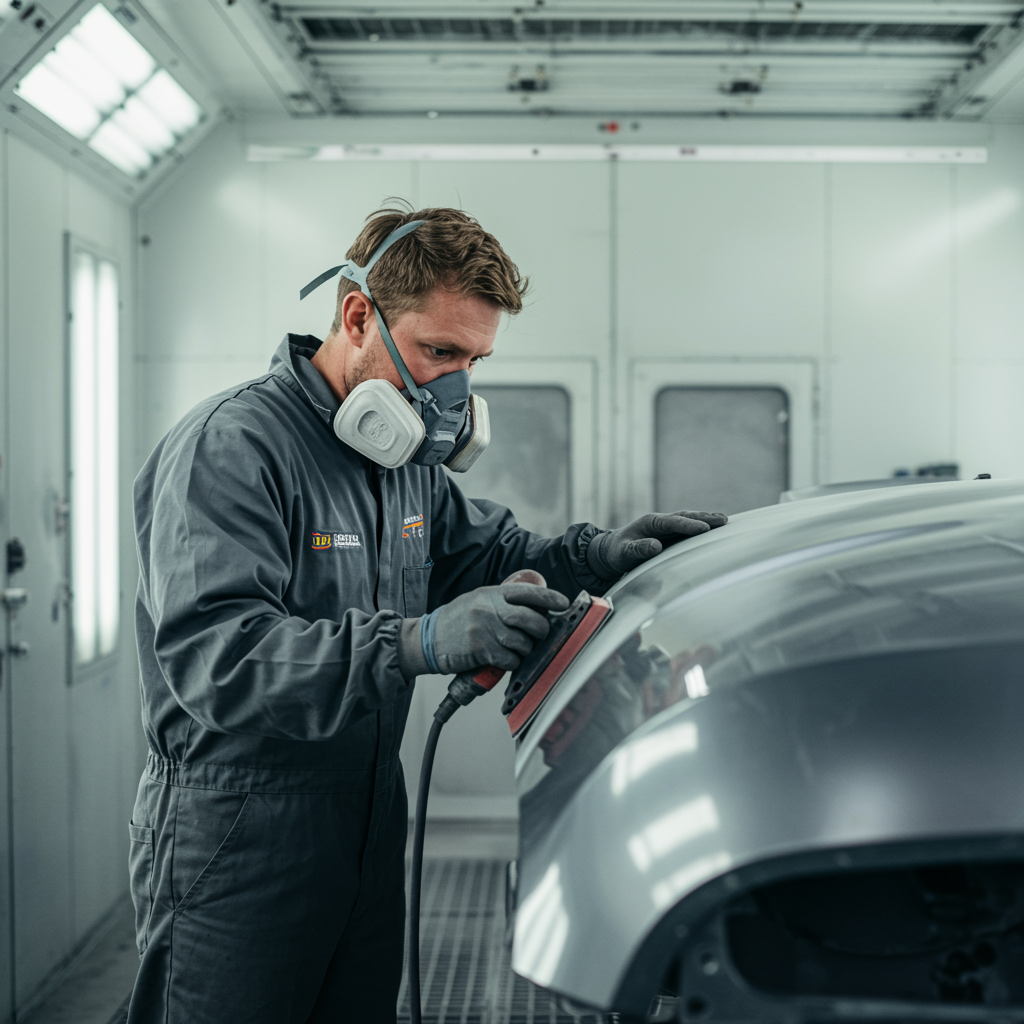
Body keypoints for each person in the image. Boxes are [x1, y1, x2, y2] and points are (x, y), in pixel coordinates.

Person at [126, 204, 727, 1024]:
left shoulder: (402, 461)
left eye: (474, 359)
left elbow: (480, 553)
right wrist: (418, 641)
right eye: (438, 351)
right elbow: (218, 660)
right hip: (237, 832)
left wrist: (594, 553)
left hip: (370, 814)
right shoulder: (233, 449)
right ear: (356, 315)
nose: (454, 388)